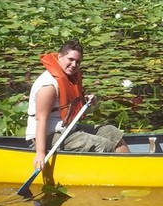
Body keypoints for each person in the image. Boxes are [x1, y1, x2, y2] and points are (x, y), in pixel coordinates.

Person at [25, 40, 130, 171]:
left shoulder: (70, 77)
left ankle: (128, 170)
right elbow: (41, 119)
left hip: (69, 130)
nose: (74, 65)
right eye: (70, 59)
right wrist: (40, 153)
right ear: (59, 57)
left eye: (78, 62)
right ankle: (114, 174)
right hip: (46, 136)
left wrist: (89, 102)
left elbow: (71, 106)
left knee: (112, 132)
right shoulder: (48, 86)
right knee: (101, 144)